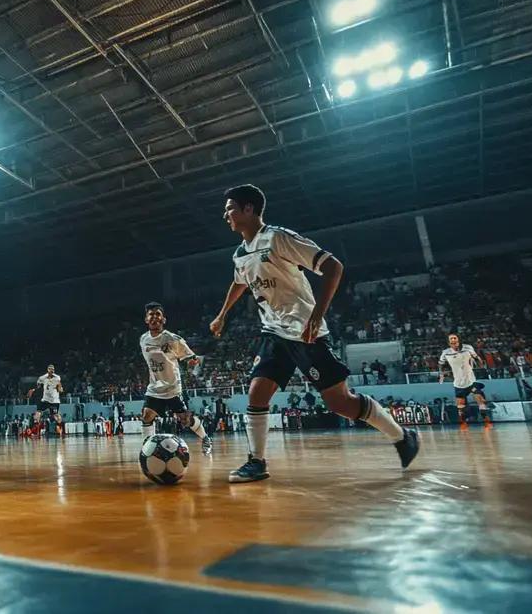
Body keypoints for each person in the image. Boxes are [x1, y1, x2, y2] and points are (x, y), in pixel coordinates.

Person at [209, 184, 418, 484]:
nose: (225, 214)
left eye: (230, 208)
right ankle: (257, 462)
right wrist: (222, 315)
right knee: (257, 391)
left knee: (341, 403)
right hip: (274, 332)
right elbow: (239, 282)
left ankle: (402, 436)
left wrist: (317, 315)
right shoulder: (240, 254)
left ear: (248, 209)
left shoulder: (279, 238)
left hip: (307, 332)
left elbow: (333, 266)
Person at [138, 302, 212, 454]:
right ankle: (147, 448)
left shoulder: (173, 339)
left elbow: (191, 357)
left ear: (164, 319)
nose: (155, 317)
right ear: (146, 319)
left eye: (158, 314)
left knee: (185, 420)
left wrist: (193, 361)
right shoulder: (143, 339)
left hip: (172, 388)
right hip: (155, 388)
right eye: (151, 315)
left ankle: (205, 438)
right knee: (146, 415)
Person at [439, 333, 492, 429]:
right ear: (449, 342)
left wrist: (482, 366)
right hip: (458, 384)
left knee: (480, 400)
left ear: (458, 339)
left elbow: (476, 358)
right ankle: (463, 423)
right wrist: (442, 374)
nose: (453, 340)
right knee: (460, 406)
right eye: (451, 339)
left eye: (455, 338)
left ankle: (487, 422)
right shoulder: (445, 353)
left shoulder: (468, 348)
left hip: (471, 381)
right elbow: (441, 364)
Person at [27, 364, 64, 437]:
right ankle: (34, 430)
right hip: (45, 399)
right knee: (38, 412)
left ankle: (60, 428)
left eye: (53, 369)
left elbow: (59, 386)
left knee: (56, 416)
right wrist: (33, 390)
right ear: (48, 370)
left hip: (54, 400)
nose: (52, 370)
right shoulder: (42, 378)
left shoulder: (57, 377)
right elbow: (38, 386)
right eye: (50, 369)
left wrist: (60, 389)